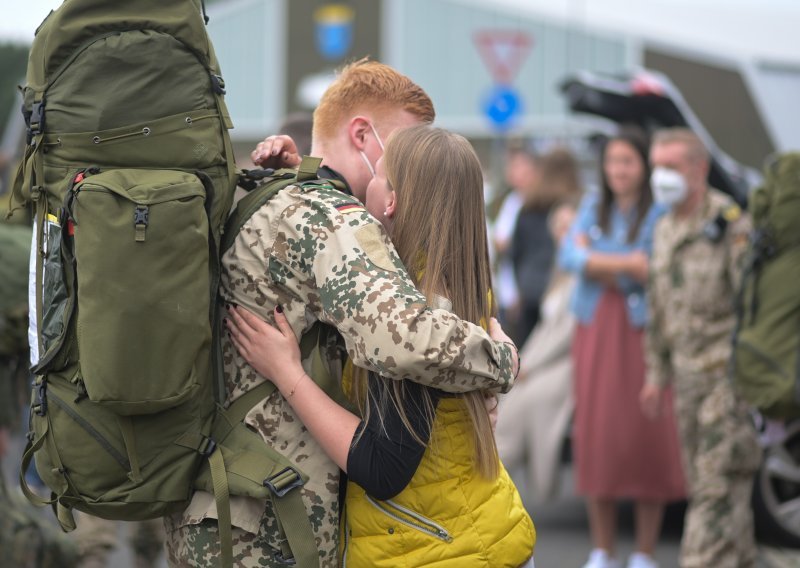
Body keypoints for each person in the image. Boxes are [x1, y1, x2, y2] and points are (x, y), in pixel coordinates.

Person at [164, 59, 519, 567]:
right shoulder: (336, 222)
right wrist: (500, 361)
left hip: (210, 495)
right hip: (276, 517)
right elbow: (406, 341)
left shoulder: (256, 191)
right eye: (403, 150)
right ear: (362, 134)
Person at [227, 124, 535, 567]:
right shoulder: (458, 280)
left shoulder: (414, 313)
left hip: (432, 549)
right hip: (478, 529)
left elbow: (381, 466)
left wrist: (286, 372)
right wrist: (306, 177)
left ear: (390, 201)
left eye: (379, 176)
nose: (363, 184)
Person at [559, 128, 685, 568]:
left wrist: (596, 258)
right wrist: (623, 262)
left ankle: (645, 552)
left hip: (641, 330)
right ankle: (603, 549)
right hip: (595, 328)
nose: (618, 170)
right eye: (612, 161)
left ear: (644, 165)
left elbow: (653, 266)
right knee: (597, 432)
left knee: (648, 432)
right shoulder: (594, 203)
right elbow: (569, 257)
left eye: (627, 161)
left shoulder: (660, 210)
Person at [640, 128, 761, 568]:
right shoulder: (666, 227)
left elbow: (754, 312)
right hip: (687, 386)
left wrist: (743, 383)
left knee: (713, 494)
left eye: (672, 167)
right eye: (657, 167)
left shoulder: (730, 226)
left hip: (726, 385)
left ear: (699, 168)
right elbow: (659, 308)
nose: (662, 177)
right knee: (720, 495)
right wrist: (656, 375)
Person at [496, 202, 578, 503]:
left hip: (567, 362)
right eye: (560, 228)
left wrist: (531, 365)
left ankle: (504, 470)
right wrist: (524, 362)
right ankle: (499, 468)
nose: (564, 234)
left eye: (570, 226)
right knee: (510, 397)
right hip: (547, 359)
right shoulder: (560, 270)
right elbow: (546, 329)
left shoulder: (579, 271)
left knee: (531, 398)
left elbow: (566, 335)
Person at [511, 147, 581, 344]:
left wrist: (520, 286)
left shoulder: (528, 206)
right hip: (559, 289)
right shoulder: (573, 206)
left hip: (529, 287)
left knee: (526, 356)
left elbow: (516, 252)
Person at [491, 143, 540, 343]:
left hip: (524, 287)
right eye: (512, 167)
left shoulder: (534, 204)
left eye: (521, 167)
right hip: (506, 283)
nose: (515, 172)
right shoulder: (510, 200)